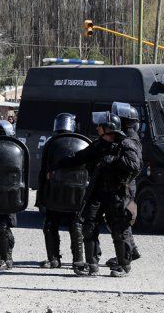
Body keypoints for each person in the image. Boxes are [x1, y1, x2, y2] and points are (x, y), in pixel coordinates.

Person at [50, 111, 142, 277]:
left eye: (100, 126)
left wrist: (114, 160)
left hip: (118, 193)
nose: (97, 128)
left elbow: (135, 166)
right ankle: (92, 264)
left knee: (119, 229)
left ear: (108, 128)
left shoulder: (126, 144)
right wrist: (57, 164)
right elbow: (79, 157)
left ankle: (124, 265)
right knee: (89, 225)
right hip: (98, 192)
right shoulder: (98, 145)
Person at [36, 113, 86, 272]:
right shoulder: (83, 143)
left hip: (54, 194)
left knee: (50, 225)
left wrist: (41, 198)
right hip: (78, 195)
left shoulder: (52, 144)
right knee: (75, 225)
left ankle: (54, 259)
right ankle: (78, 260)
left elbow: (44, 172)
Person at [107, 101, 142, 266]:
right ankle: (131, 251)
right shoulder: (127, 136)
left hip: (125, 186)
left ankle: (125, 259)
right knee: (116, 221)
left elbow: (135, 166)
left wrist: (114, 160)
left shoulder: (128, 139)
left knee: (121, 223)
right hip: (124, 185)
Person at [0, 120, 20, 270]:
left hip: (10, 192)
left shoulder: (16, 149)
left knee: (2, 225)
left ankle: (7, 259)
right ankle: (5, 256)